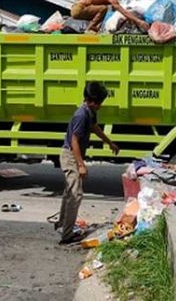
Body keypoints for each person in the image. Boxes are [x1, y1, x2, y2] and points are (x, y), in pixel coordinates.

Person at [57, 82, 119, 244]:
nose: (99, 106)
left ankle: (62, 224)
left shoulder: (90, 113)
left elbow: (95, 128)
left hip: (73, 155)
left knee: (69, 192)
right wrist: (81, 165)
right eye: (98, 103)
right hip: (70, 155)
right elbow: (74, 141)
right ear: (89, 100)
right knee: (75, 194)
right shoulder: (81, 114)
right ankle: (67, 235)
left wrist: (109, 142)